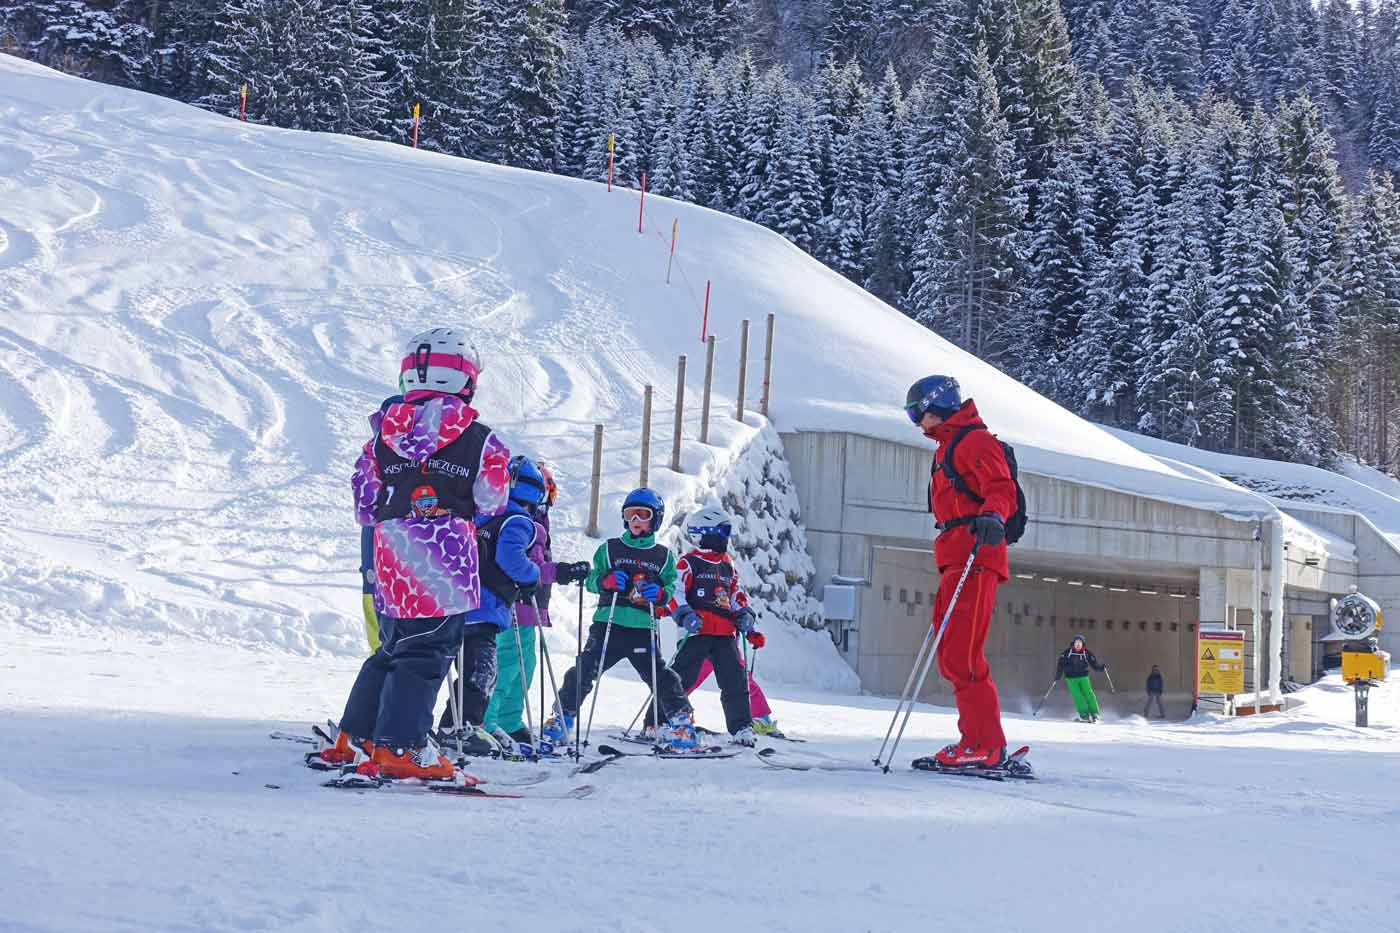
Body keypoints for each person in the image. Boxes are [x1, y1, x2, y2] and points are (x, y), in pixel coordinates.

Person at [316, 328, 511, 781]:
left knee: (391, 649)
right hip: (444, 565)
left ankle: (357, 738)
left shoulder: (381, 436)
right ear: (465, 381)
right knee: (427, 655)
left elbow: (365, 502)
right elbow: (491, 499)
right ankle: (402, 749)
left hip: (390, 563)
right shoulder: (481, 439)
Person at [905, 375, 1020, 772]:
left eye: (916, 413)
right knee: (950, 651)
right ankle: (979, 740)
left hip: (976, 554)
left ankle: (983, 745)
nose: (916, 423)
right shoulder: (946, 448)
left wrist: (992, 515)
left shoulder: (974, 441)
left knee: (962, 655)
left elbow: (1001, 487)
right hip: (955, 557)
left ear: (936, 406)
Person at [539, 488, 699, 752]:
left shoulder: (663, 557)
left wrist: (659, 593)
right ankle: (562, 719)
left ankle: (681, 722)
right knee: (584, 669)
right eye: (630, 514)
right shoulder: (610, 549)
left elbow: (670, 589)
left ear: (655, 520)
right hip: (608, 624)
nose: (636, 520)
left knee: (660, 677)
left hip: (640, 627)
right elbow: (592, 580)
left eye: (643, 515)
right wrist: (605, 581)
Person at [433, 455, 550, 757]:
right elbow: (510, 558)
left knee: (462, 667)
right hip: (484, 608)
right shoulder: (519, 522)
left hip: (459, 604)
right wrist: (531, 577)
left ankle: (450, 724)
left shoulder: (482, 517)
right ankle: (460, 727)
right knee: (483, 671)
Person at [474, 459, 589, 756]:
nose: (547, 503)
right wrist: (559, 572)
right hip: (512, 605)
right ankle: (487, 721)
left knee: (525, 666)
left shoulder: (530, 524)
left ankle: (509, 720)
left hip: (530, 608)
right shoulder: (517, 523)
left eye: (552, 495)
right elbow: (528, 565)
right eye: (546, 494)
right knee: (508, 665)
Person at [643, 506, 762, 746]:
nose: (726, 538)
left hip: (725, 633)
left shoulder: (728, 564)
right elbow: (675, 592)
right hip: (696, 632)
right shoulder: (689, 562)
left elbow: (736, 594)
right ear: (706, 533)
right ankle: (657, 722)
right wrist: (685, 615)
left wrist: (745, 616)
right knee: (679, 678)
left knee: (734, 680)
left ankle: (741, 727)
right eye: (722, 531)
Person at [1055, 634, 1108, 722]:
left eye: (1080, 643)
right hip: (1071, 678)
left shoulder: (1087, 653)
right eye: (1076, 642)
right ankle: (1084, 714)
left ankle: (1095, 713)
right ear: (1073, 643)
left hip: (1083, 677)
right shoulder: (1067, 653)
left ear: (1083, 644)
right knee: (1077, 696)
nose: (1078, 644)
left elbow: (1094, 664)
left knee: (1088, 694)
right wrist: (1058, 675)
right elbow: (1061, 664)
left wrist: (1100, 668)